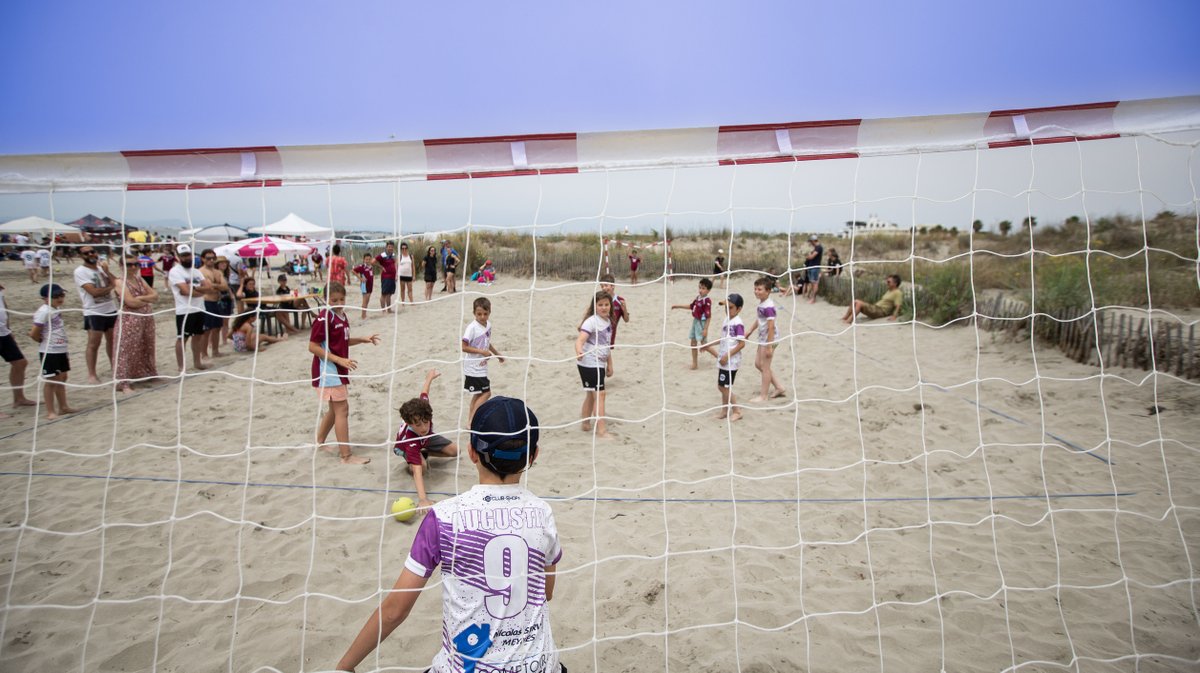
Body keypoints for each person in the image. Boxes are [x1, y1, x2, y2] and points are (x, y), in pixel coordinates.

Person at [337, 396, 562, 673]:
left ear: (471, 452)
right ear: (534, 455)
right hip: (540, 666)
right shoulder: (542, 513)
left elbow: (395, 610)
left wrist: (344, 666)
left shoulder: (442, 517)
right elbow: (546, 592)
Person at [308, 282, 379, 465]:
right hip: (328, 370)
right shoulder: (324, 318)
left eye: (341, 299)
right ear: (325, 299)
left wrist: (362, 340)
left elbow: (341, 341)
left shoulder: (342, 315)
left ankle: (320, 442)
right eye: (334, 300)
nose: (338, 303)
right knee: (342, 410)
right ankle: (346, 456)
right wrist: (339, 360)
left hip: (337, 369)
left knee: (334, 409)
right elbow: (313, 346)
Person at [393, 369, 460, 509]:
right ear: (410, 423)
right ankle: (411, 461)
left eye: (426, 421)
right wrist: (423, 499)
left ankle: (425, 452)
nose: (423, 427)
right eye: (418, 424)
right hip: (405, 446)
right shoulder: (410, 439)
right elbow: (418, 472)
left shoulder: (424, 409)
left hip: (426, 439)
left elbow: (424, 393)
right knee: (421, 468)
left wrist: (430, 377)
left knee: (456, 451)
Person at [112, 252, 158, 393]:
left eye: (135, 264)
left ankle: (147, 374)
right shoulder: (120, 281)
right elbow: (130, 302)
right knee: (125, 350)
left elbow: (155, 296)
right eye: (129, 264)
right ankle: (123, 382)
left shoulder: (139, 279)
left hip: (145, 318)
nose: (133, 267)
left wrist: (141, 298)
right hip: (129, 320)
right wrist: (145, 298)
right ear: (121, 266)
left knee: (146, 345)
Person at [30, 283, 76, 419]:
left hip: (61, 349)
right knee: (51, 380)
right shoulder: (44, 311)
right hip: (49, 351)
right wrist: (41, 341)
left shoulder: (55, 309)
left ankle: (63, 406)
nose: (60, 298)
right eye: (56, 296)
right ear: (45, 298)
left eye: (62, 295)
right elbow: (33, 333)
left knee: (62, 378)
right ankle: (50, 411)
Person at [74, 244, 118, 384]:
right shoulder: (80, 271)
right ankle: (92, 374)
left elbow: (116, 281)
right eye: (86, 253)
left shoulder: (101, 268)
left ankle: (114, 368)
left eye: (92, 251)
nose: (91, 254)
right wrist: (111, 287)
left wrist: (107, 271)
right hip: (94, 311)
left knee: (112, 341)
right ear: (81, 256)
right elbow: (94, 292)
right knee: (94, 343)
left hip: (110, 309)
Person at [167, 244, 212, 373]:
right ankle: (181, 367)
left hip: (199, 308)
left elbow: (208, 287)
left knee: (198, 336)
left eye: (188, 255)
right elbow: (185, 291)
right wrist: (197, 290)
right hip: (184, 310)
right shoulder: (175, 271)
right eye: (183, 255)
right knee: (182, 338)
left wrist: (195, 290)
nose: (187, 258)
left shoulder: (196, 271)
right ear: (178, 257)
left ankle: (197, 362)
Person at [575, 290, 612, 438]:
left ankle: (585, 424)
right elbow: (580, 340)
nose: (604, 307)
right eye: (600, 305)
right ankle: (601, 431)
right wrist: (579, 351)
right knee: (600, 394)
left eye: (606, 304)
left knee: (591, 394)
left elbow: (606, 345)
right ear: (595, 306)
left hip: (599, 363)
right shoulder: (591, 321)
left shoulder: (608, 321)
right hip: (589, 362)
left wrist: (610, 364)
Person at [462, 297, 505, 423]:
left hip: (482, 366)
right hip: (473, 367)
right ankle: (473, 421)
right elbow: (464, 347)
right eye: (479, 314)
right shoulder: (472, 328)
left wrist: (497, 355)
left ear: (489, 312)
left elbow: (487, 343)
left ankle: (470, 421)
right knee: (487, 393)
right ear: (474, 313)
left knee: (478, 395)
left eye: (485, 314)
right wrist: (482, 352)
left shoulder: (488, 325)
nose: (482, 317)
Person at [705, 293, 747, 421]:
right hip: (724, 359)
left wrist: (727, 356)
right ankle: (724, 411)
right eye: (725, 307)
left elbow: (742, 344)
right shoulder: (727, 319)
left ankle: (737, 411)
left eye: (731, 307)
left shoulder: (738, 323)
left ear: (739, 309)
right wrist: (708, 344)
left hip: (731, 361)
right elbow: (723, 339)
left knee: (722, 386)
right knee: (725, 386)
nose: (727, 310)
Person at [745, 277, 787, 403]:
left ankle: (763, 396)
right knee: (759, 364)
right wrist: (750, 331)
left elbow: (771, 326)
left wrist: (769, 346)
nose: (756, 291)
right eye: (755, 289)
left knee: (765, 366)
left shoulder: (769, 306)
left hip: (770, 339)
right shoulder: (762, 303)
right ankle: (779, 387)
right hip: (763, 337)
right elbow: (759, 320)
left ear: (768, 291)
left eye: (759, 289)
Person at [0, 283, 35, 414]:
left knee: (20, 363)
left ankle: (19, 398)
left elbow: (4, 307)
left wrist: (8, 328)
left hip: (3, 332)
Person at [671, 277, 712, 370]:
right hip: (695, 322)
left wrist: (705, 329)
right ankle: (695, 363)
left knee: (704, 344)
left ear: (708, 290)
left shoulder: (707, 301)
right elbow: (690, 306)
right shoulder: (698, 298)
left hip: (701, 324)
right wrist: (677, 306)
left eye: (703, 288)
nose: (700, 290)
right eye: (700, 287)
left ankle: (719, 357)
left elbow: (709, 316)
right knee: (693, 342)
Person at [597, 274, 629, 378]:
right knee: (598, 350)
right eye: (602, 286)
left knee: (606, 349)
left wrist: (624, 308)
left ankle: (608, 367)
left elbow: (626, 320)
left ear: (613, 286)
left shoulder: (619, 300)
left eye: (606, 285)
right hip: (598, 330)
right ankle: (604, 369)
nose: (604, 288)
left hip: (611, 332)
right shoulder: (599, 299)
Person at [199, 249, 229, 357]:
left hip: (217, 301)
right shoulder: (201, 272)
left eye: (213, 258)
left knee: (217, 327)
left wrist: (215, 285)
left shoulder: (218, 272)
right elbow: (208, 288)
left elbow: (225, 286)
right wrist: (217, 286)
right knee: (206, 329)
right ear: (203, 259)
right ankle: (204, 353)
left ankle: (215, 351)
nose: (211, 260)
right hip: (206, 302)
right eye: (208, 258)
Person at [215, 257, 235, 346]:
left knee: (226, 321)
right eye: (221, 263)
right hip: (220, 299)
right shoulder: (215, 274)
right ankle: (213, 342)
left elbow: (228, 286)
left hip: (227, 298)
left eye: (225, 263)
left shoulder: (226, 274)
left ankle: (224, 340)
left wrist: (231, 295)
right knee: (219, 322)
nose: (224, 264)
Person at [351, 253, 375, 320]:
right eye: (366, 259)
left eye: (369, 259)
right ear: (364, 260)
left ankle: (364, 314)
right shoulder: (362, 267)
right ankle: (363, 316)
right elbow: (353, 271)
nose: (368, 260)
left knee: (367, 300)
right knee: (365, 301)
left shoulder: (371, 267)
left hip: (370, 285)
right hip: (364, 286)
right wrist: (360, 278)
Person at [377, 241, 397, 313]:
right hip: (386, 277)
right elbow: (373, 261)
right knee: (384, 294)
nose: (390, 248)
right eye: (389, 247)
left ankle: (389, 309)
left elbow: (395, 264)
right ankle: (383, 310)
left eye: (392, 247)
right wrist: (381, 267)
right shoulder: (382, 255)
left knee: (389, 294)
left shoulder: (393, 255)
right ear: (386, 247)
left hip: (392, 277)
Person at [803, 234, 823, 304]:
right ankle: (812, 297)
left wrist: (807, 256)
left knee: (815, 284)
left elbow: (811, 257)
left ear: (813, 241)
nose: (810, 243)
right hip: (812, 267)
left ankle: (813, 299)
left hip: (815, 268)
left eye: (811, 242)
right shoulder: (816, 248)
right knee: (812, 283)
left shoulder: (818, 247)